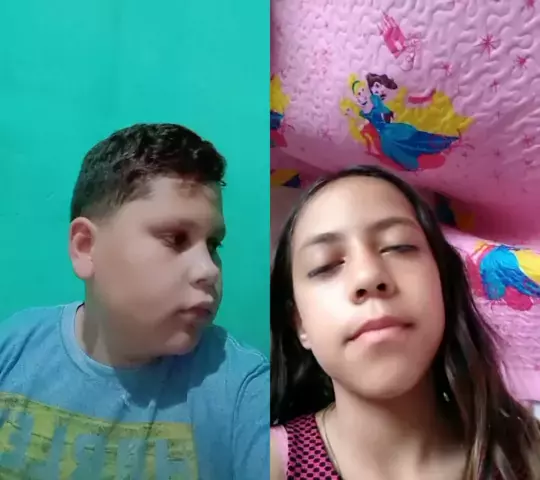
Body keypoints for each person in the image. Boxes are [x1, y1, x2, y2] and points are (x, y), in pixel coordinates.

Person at [0, 123, 269, 479]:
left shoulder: (244, 390)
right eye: (175, 238)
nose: (208, 269)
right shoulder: (13, 349)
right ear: (86, 247)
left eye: (213, 245)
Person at [270, 165, 540, 479]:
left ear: (442, 284)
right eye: (326, 265)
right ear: (299, 323)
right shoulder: (265, 462)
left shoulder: (526, 452)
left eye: (399, 246)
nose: (368, 276)